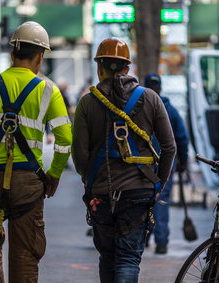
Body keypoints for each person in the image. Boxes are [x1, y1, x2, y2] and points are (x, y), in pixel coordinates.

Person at [0, 21, 72, 283]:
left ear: (12, 53)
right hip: (28, 184)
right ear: (41, 56)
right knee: (26, 255)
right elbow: (65, 141)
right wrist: (53, 176)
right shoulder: (48, 91)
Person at [72, 37, 176, 283]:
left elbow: (79, 152)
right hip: (139, 191)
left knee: (108, 257)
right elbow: (170, 147)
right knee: (128, 258)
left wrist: (90, 180)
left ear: (99, 67)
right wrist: (158, 184)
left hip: (102, 193)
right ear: (128, 68)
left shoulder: (88, 103)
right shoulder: (150, 98)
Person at [144, 73, 189, 254]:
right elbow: (182, 139)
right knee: (161, 201)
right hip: (165, 164)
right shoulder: (171, 110)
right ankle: (161, 243)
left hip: (143, 165)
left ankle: (145, 237)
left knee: (143, 199)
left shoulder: (140, 108)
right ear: (161, 88)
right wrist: (183, 162)